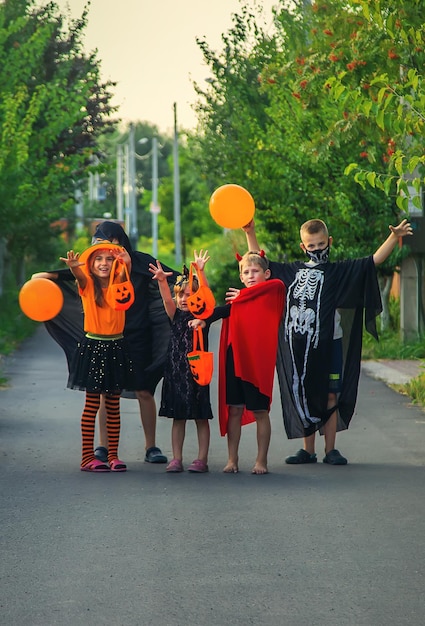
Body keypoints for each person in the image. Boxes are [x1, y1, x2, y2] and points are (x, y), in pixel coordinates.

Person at [244, 217, 413, 465]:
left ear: (329, 242)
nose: (317, 249)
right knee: (305, 393)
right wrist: (250, 231)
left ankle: (330, 449)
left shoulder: (338, 272)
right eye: (311, 246)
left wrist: (394, 236)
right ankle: (308, 449)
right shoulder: (291, 271)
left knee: (331, 395)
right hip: (299, 345)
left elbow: (373, 261)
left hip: (330, 344)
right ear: (303, 247)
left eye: (321, 244)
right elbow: (260, 263)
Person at [33, 220, 179, 464]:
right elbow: (73, 275)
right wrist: (43, 278)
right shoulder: (93, 272)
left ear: (122, 244)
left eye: (112, 246)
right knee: (104, 395)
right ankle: (102, 448)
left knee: (144, 390)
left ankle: (151, 446)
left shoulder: (141, 262)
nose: (106, 254)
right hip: (104, 338)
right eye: (100, 247)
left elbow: (175, 278)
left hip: (139, 334)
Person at [60, 241, 136, 472]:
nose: (104, 264)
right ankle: (86, 457)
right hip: (94, 347)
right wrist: (75, 267)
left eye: (109, 259)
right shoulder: (88, 285)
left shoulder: (121, 284)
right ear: (91, 265)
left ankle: (113, 455)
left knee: (113, 405)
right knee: (92, 405)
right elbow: (80, 278)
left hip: (116, 347)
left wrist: (127, 261)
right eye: (98, 259)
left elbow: (125, 272)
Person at [218, 250, 286, 474]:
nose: (250, 275)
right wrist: (200, 319)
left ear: (266, 273)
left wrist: (243, 296)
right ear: (240, 277)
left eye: (255, 271)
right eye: (245, 272)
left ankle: (261, 461)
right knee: (234, 410)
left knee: (260, 412)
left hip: (257, 364)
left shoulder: (271, 293)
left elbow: (278, 284)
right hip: (235, 359)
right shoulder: (236, 300)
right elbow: (214, 311)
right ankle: (232, 459)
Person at [149, 250, 216, 473]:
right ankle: (176, 458)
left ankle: (201, 459)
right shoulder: (175, 315)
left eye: (190, 295)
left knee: (200, 417)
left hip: (197, 374)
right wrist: (161, 281)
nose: (185, 299)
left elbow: (206, 295)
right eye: (182, 295)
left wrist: (201, 271)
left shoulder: (203, 316)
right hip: (176, 374)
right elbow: (167, 298)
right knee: (178, 418)